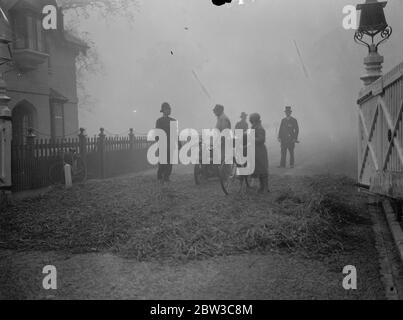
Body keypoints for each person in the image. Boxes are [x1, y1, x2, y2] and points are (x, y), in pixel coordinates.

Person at [156, 102, 177, 182]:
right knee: (162, 161)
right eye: (167, 109)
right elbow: (157, 133)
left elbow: (175, 134)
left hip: (171, 144)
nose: (169, 110)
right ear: (163, 110)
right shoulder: (159, 121)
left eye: (169, 109)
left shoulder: (173, 120)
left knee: (170, 161)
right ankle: (160, 175)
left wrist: (178, 143)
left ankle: (167, 176)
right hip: (163, 144)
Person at [249, 113, 269, 193]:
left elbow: (261, 139)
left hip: (260, 151)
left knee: (263, 170)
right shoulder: (254, 127)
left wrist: (251, 138)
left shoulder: (259, 128)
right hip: (255, 150)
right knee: (259, 170)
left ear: (255, 119)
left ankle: (265, 188)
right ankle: (262, 187)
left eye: (252, 119)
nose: (251, 121)